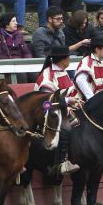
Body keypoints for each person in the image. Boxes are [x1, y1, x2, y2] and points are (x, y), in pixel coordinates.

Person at [34, 45, 79, 175]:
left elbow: (69, 93)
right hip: (48, 112)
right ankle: (60, 163)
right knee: (66, 128)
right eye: (69, 57)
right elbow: (48, 101)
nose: (70, 59)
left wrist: (75, 101)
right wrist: (69, 101)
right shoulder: (47, 76)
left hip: (63, 108)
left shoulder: (62, 72)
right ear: (63, 59)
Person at [70, 37, 103, 101]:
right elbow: (80, 80)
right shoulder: (87, 61)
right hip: (85, 102)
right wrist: (92, 99)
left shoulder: (99, 63)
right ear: (97, 49)